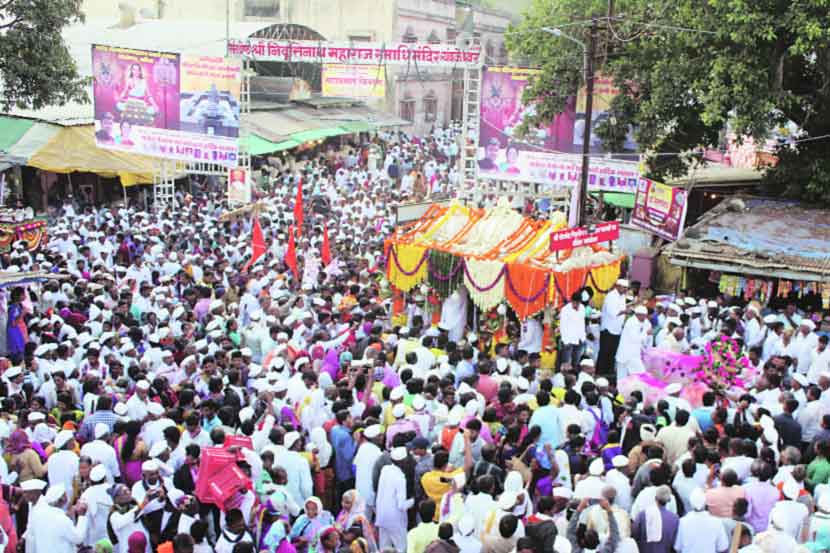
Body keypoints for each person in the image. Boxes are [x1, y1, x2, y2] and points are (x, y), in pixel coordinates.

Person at [376, 447, 414, 552]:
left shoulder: (385, 469)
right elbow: (401, 505)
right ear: (403, 462)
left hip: (382, 516)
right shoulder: (400, 478)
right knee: (401, 548)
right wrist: (413, 501)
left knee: (383, 548)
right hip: (395, 520)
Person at [674, 488, 729, 553]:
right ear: (705, 503)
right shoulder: (717, 522)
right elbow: (722, 547)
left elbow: (677, 547)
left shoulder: (683, 522)